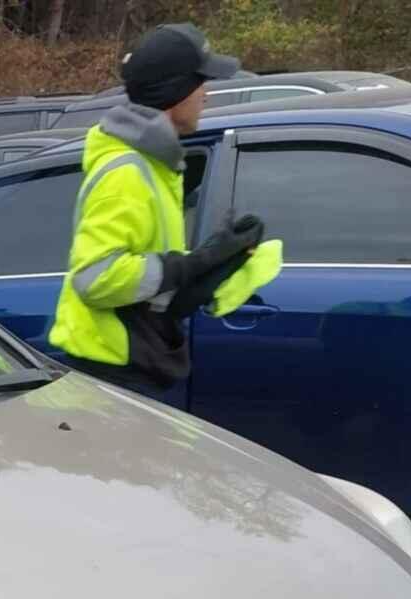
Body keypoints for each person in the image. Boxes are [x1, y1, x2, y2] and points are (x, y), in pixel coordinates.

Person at [50, 23, 265, 394]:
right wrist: (190, 265)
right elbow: (96, 279)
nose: (206, 96)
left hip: (133, 363)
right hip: (112, 372)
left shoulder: (155, 165)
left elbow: (149, 278)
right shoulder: (128, 172)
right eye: (201, 83)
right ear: (175, 91)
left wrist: (209, 268)